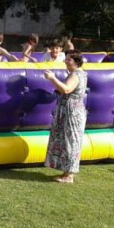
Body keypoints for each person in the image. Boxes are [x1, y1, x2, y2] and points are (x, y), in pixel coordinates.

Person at [43, 52, 88, 183]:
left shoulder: (76, 74)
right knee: (67, 140)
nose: (66, 61)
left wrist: (52, 78)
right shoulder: (79, 73)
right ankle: (66, 172)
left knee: (71, 141)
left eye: (69, 60)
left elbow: (67, 89)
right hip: (70, 111)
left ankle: (69, 176)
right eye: (66, 59)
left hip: (72, 113)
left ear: (76, 62)